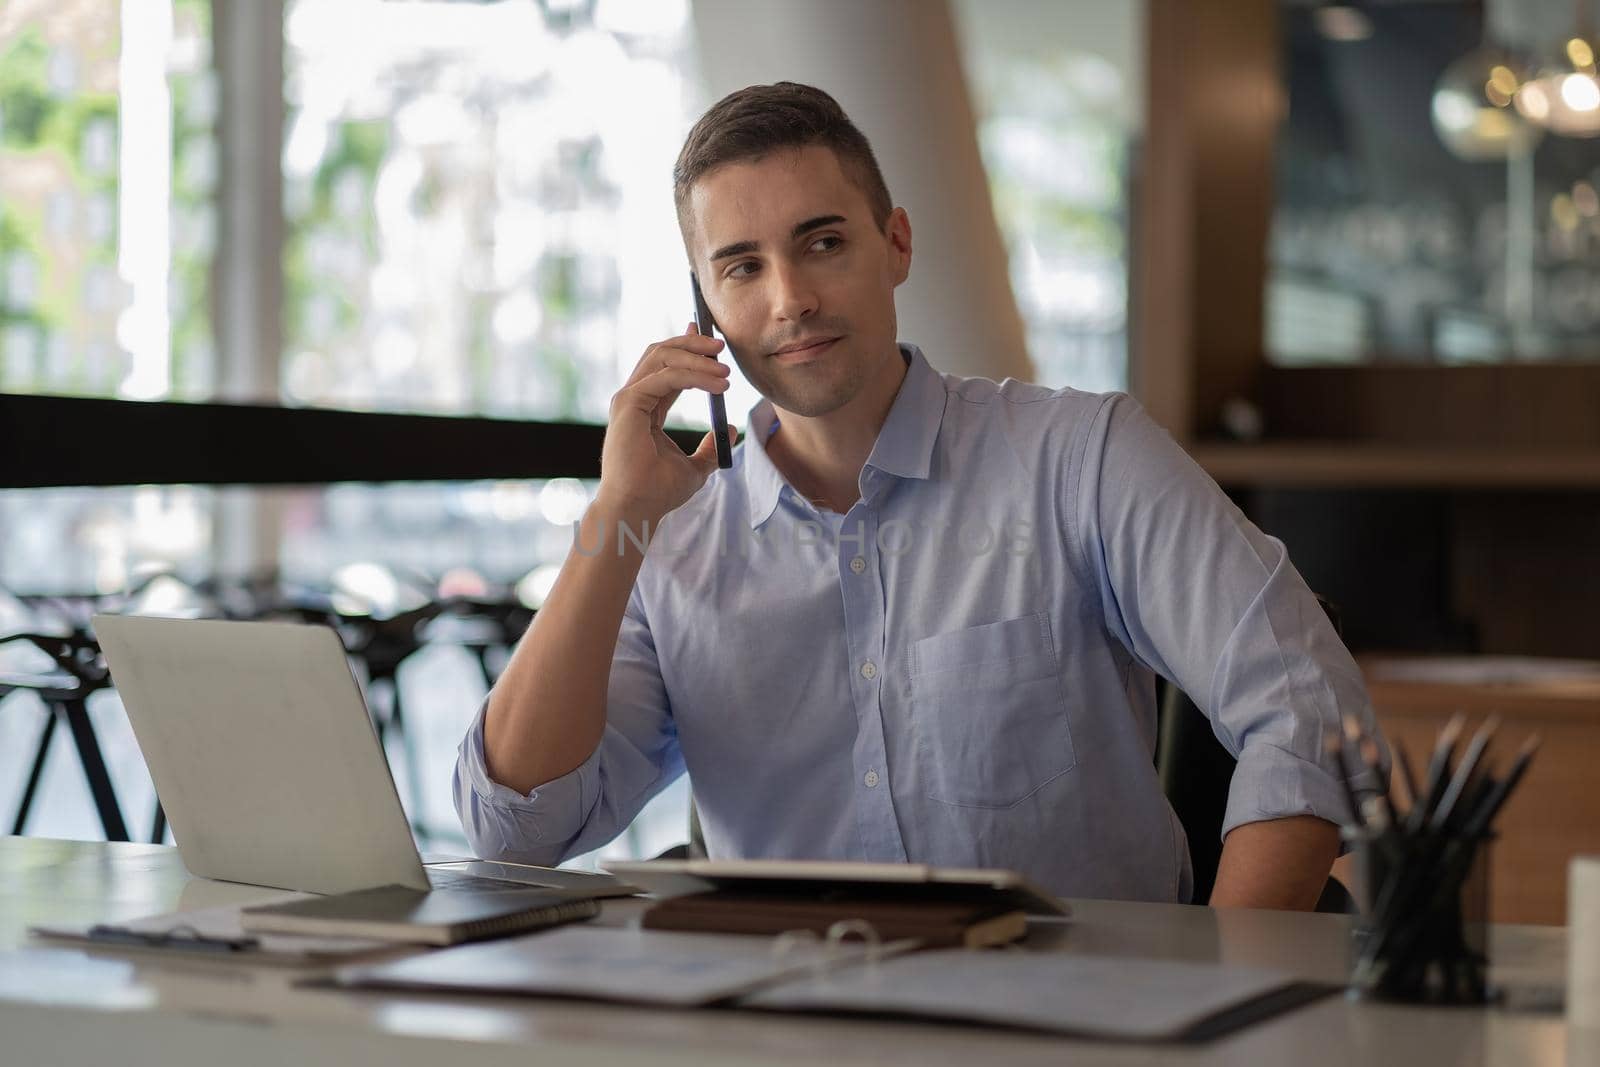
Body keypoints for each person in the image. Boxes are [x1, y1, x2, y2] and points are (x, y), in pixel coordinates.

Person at [454, 81, 1388, 908]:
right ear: (704, 305)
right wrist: (614, 514)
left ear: (896, 243)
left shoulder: (1082, 457)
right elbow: (515, 830)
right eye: (742, 266)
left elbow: (1310, 707)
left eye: (822, 243)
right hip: (786, 1025)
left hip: (1075, 1025)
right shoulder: (667, 532)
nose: (790, 299)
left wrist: (1215, 987)